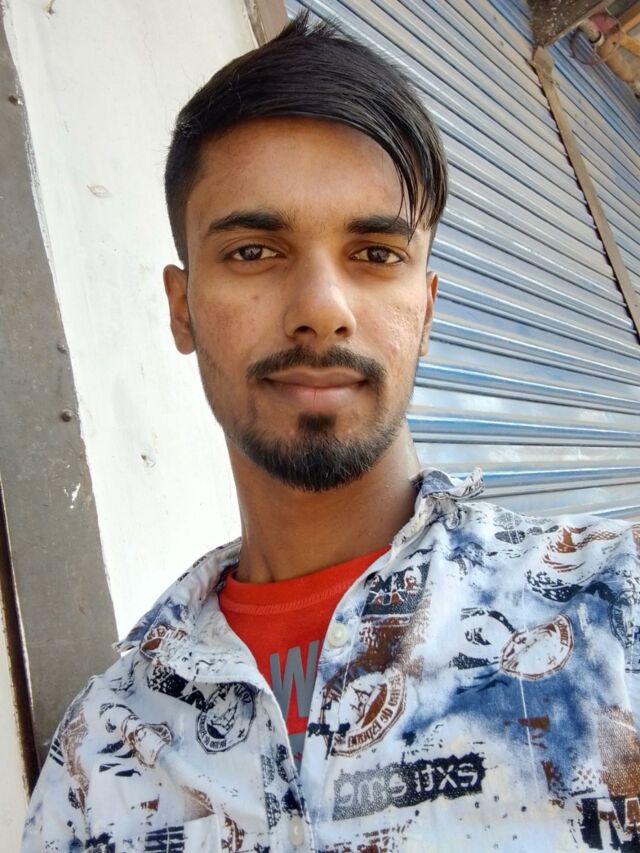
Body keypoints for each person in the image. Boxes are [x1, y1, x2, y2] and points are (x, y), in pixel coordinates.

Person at [22, 12, 640, 853]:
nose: (321, 308)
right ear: (182, 306)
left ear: (426, 310)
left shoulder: (612, 615)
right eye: (253, 251)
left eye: (376, 254)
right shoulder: (99, 751)